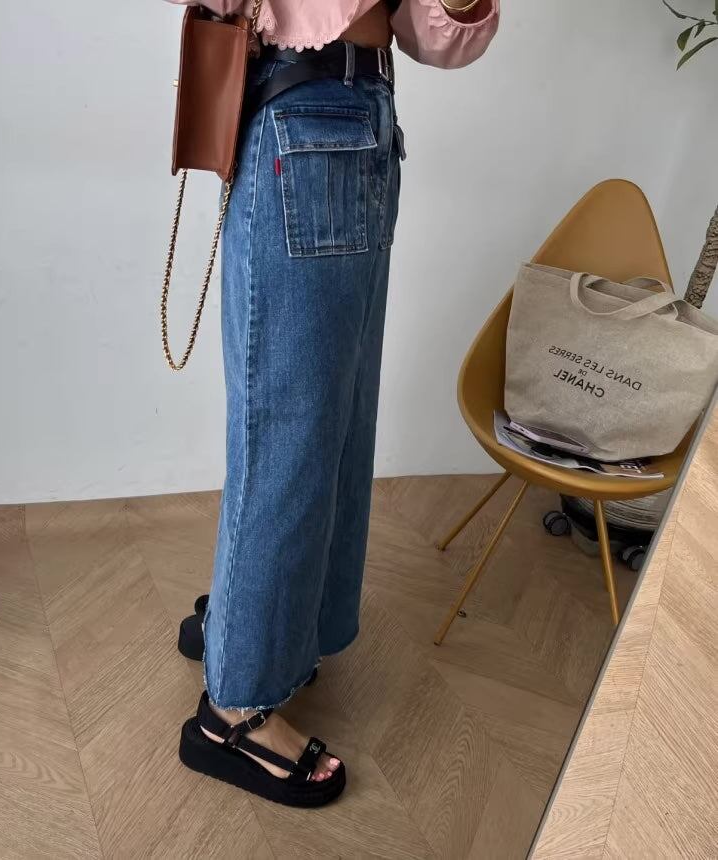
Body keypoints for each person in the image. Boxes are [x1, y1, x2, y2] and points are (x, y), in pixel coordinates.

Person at [167, 0, 500, 806]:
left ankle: (264, 627)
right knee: (291, 425)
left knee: (337, 421)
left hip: (365, 118)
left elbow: (434, 37)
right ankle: (234, 707)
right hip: (301, 114)